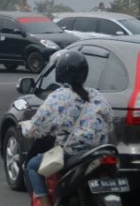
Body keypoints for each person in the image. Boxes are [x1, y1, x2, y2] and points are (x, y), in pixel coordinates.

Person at [20, 50, 113, 206]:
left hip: (71, 154)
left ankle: (45, 202)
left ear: (61, 72)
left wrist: (25, 126)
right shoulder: (97, 96)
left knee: (32, 166)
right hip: (99, 152)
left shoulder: (58, 97)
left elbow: (36, 128)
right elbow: (109, 125)